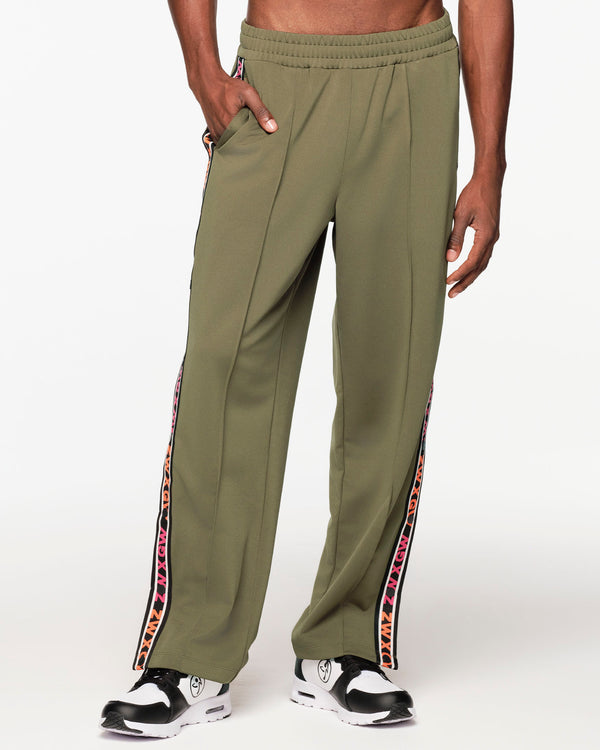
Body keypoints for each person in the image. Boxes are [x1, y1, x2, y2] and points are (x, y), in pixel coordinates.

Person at [99, 0, 513, 737]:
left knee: (391, 367)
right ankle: (190, 653)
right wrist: (202, 69)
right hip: (279, 81)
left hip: (412, 77)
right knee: (226, 361)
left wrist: (489, 165)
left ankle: (344, 643)